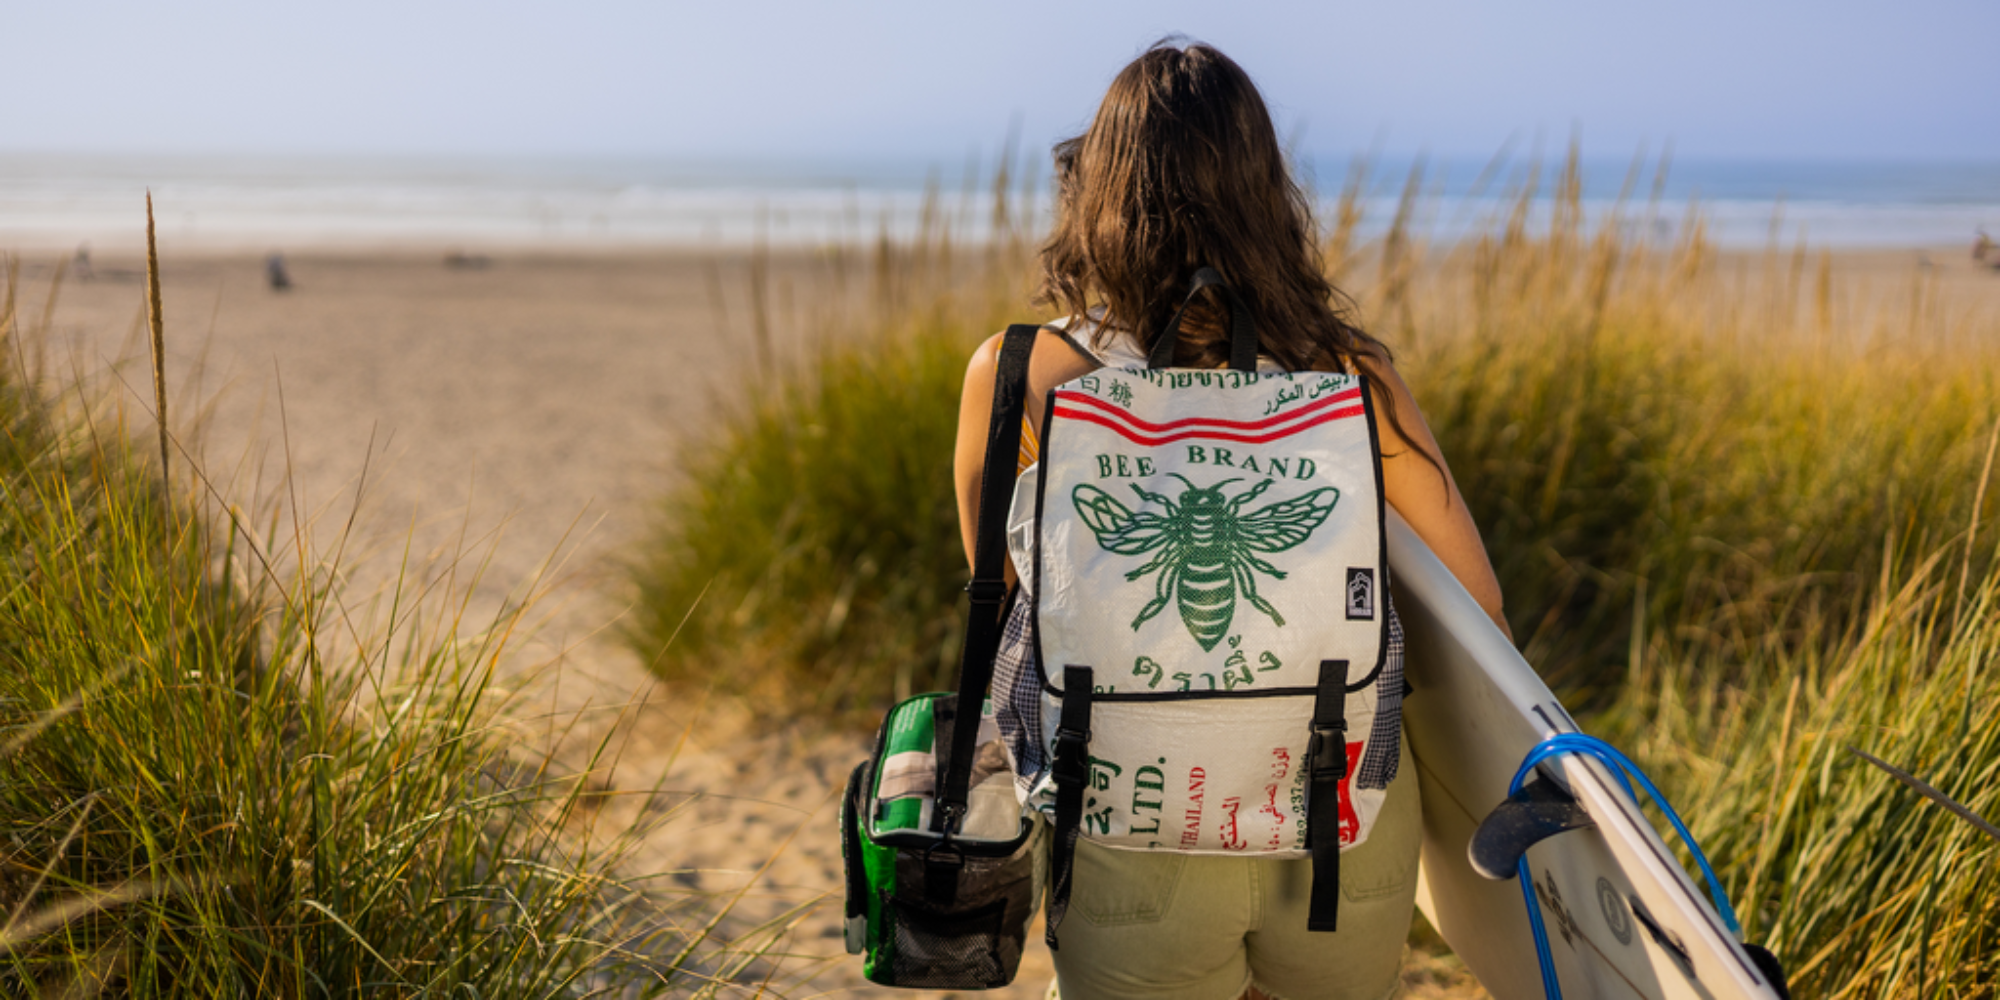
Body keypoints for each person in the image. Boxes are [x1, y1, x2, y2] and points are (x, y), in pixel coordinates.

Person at [952, 41, 1510, 1000]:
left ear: (1100, 188)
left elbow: (1004, 601)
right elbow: (1480, 615)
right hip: (1341, 821)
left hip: (1130, 816)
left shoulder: (1023, 374)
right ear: (1265, 194)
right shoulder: (1347, 375)